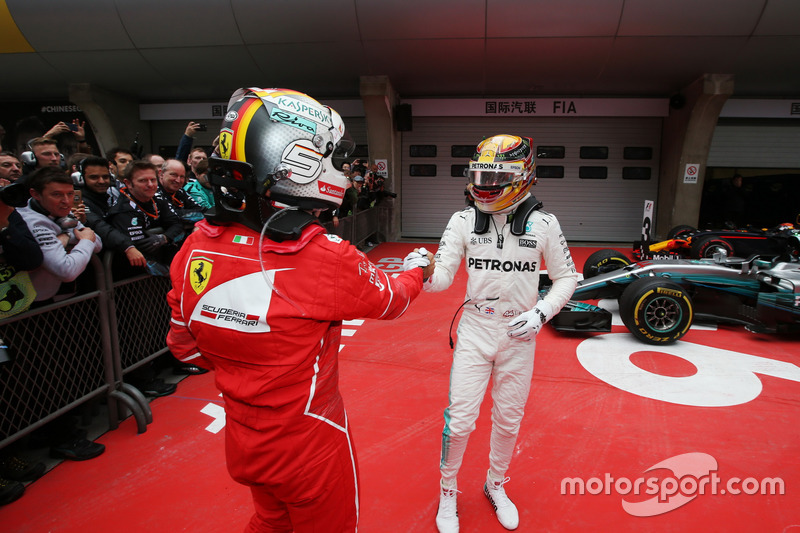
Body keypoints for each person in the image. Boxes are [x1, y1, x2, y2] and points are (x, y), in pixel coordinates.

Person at [166, 87, 433, 533]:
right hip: (309, 439)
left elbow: (185, 349)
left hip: (243, 435)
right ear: (298, 161)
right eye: (329, 155)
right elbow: (392, 300)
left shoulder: (196, 244)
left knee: (270, 520)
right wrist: (417, 268)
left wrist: (247, 355)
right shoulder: (320, 254)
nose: (339, 168)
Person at [425, 134, 578, 532]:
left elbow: (566, 278)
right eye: (480, 173)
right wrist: (423, 270)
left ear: (522, 176)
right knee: (460, 421)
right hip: (476, 329)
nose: (485, 184)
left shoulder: (545, 223)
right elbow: (441, 279)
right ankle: (447, 490)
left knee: (509, 420)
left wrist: (541, 313)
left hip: (519, 335)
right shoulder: (461, 219)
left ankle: (495, 485)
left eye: (496, 175)